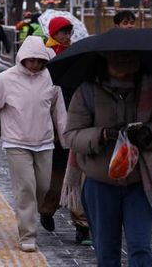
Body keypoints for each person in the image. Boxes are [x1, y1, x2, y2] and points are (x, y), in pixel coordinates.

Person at [63, 51, 152, 267]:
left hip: (139, 181)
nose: (124, 65)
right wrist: (102, 134)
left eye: (130, 60)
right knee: (106, 251)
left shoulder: (147, 89)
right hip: (100, 183)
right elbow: (72, 135)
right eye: (117, 60)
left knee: (140, 246)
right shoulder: (87, 91)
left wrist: (148, 134)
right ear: (104, 61)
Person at [0, 36, 67, 252]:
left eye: (40, 61)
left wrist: (68, 138)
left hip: (45, 142)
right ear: (22, 58)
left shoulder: (51, 78)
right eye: (31, 60)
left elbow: (59, 111)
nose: (35, 65)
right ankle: (27, 234)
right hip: (16, 143)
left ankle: (31, 213)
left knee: (43, 187)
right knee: (26, 189)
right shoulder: (5, 79)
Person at [40, 15, 90, 244]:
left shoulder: (77, 57)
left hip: (77, 123)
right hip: (54, 125)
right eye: (62, 32)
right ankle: (47, 209)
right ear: (53, 33)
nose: (66, 36)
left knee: (78, 178)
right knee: (56, 178)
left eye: (69, 31)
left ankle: (82, 224)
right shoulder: (44, 56)